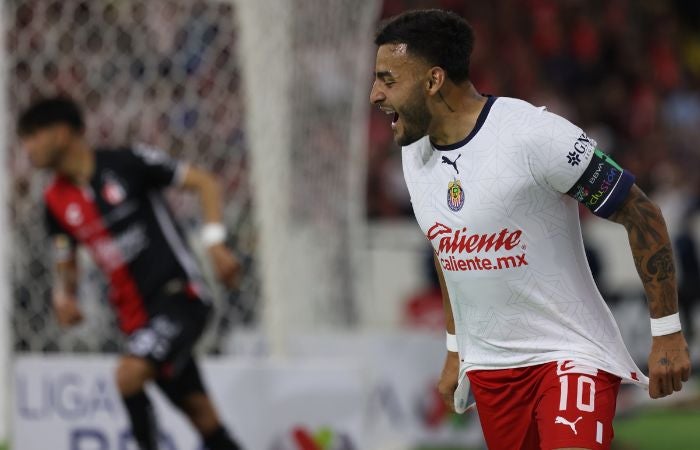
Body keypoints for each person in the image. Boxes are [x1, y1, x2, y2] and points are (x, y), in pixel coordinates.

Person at [370, 9, 691, 450]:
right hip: (492, 371)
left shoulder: (533, 136)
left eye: (388, 80)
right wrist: (454, 347)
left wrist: (668, 330)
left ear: (433, 81)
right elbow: (447, 251)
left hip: (569, 356)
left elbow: (641, 214)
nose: (375, 94)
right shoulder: (413, 152)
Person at [17, 97, 242, 450]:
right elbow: (65, 255)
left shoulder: (127, 163)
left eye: (32, 136)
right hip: (136, 319)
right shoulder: (55, 203)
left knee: (128, 376)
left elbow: (204, 182)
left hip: (179, 296)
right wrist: (65, 296)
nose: (26, 148)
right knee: (202, 416)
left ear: (61, 133)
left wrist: (214, 242)